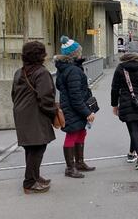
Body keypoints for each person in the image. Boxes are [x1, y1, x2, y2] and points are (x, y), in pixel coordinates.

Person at [11, 41, 56, 194]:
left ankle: (35, 176)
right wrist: (53, 113)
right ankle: (29, 182)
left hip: (21, 114)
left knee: (31, 147)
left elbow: (13, 95)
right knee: (38, 147)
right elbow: (46, 98)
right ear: (40, 56)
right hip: (35, 115)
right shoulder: (41, 72)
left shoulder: (19, 72)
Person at [55, 36, 96, 178]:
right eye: (80, 51)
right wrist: (87, 113)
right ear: (75, 54)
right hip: (74, 109)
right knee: (72, 134)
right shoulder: (73, 71)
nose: (81, 53)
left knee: (80, 132)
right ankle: (70, 168)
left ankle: (79, 163)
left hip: (72, 108)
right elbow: (76, 96)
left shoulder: (67, 68)